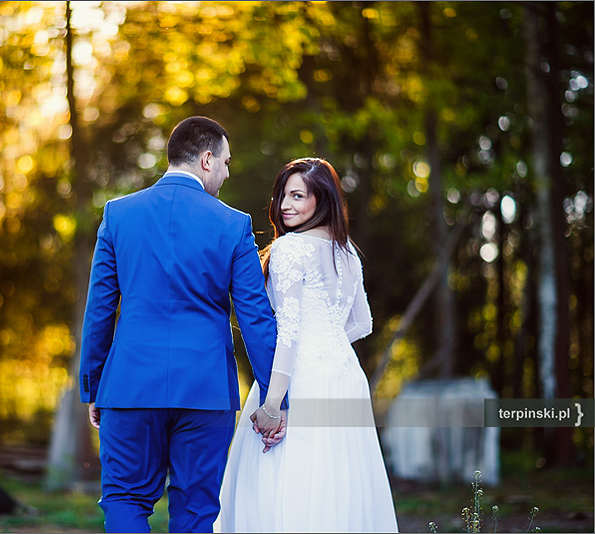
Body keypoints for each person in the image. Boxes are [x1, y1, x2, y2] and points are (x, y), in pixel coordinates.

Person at [79, 116, 285, 533]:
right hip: (205, 391)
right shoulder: (233, 224)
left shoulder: (118, 215)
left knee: (124, 498)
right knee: (195, 511)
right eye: (226, 162)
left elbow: (99, 310)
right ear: (207, 160)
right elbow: (257, 319)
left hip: (129, 386)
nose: (227, 173)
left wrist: (94, 385)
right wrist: (274, 400)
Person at [215, 158, 399, 533]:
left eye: (298, 195)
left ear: (323, 199)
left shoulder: (290, 249)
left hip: (298, 380)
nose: (285, 204)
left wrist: (271, 405)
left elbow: (289, 334)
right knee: (340, 485)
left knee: (282, 481)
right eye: (283, 194)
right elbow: (362, 323)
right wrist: (327, 343)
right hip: (344, 377)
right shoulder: (348, 253)